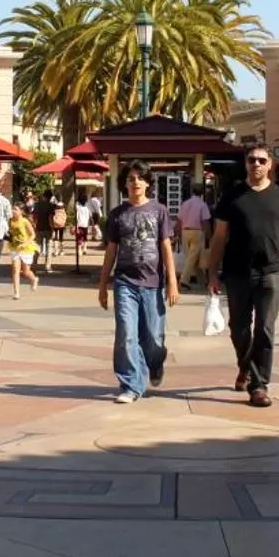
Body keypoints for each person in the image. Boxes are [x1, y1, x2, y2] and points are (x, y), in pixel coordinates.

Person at [208, 145, 279, 408]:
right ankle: (245, 367)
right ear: (245, 164)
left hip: (272, 271)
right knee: (239, 328)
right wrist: (212, 273)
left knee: (265, 330)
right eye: (251, 160)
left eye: (261, 160)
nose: (256, 164)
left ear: (270, 165)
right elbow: (219, 237)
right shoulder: (232, 196)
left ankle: (259, 386)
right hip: (237, 272)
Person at [99, 162, 178, 403]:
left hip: (153, 282)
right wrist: (103, 284)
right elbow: (111, 250)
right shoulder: (117, 214)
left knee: (153, 338)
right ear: (125, 183)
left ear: (147, 183)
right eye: (131, 178)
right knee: (126, 334)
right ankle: (131, 385)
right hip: (125, 282)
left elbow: (166, 247)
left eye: (140, 178)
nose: (135, 182)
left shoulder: (159, 211)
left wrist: (173, 282)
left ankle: (155, 363)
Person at [176, 187, 213, 287]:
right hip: (197, 231)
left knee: (191, 257)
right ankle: (184, 280)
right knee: (192, 258)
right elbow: (205, 221)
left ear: (192, 192)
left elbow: (179, 220)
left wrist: (178, 234)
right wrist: (208, 236)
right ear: (201, 194)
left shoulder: (185, 204)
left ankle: (203, 281)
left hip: (185, 231)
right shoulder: (202, 204)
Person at [6, 203, 40, 298]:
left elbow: (33, 235)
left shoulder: (25, 221)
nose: (13, 211)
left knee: (25, 272)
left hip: (26, 248)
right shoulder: (10, 221)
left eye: (16, 209)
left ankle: (34, 279)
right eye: (13, 209)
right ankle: (16, 292)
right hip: (14, 247)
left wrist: (25, 243)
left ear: (21, 211)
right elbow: (9, 232)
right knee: (15, 270)